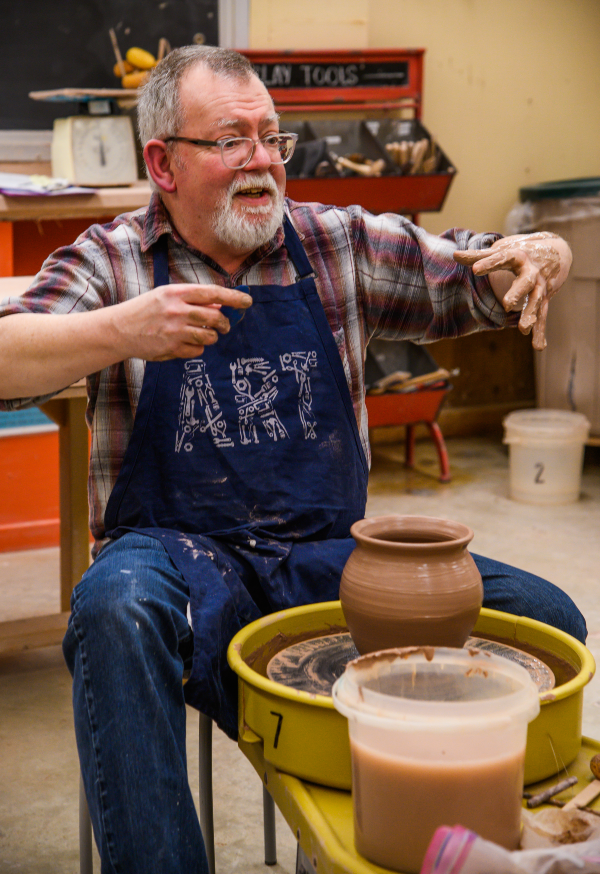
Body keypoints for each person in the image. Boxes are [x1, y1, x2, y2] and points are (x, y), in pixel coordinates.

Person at [0, 45, 586, 874]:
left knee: (545, 621)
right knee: (113, 608)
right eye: (232, 140)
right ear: (162, 162)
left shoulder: (332, 242)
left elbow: (475, 272)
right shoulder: (116, 259)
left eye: (273, 138)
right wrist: (123, 329)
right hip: (175, 556)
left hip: (325, 556)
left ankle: (379, 841)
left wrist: (539, 255)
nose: (264, 163)